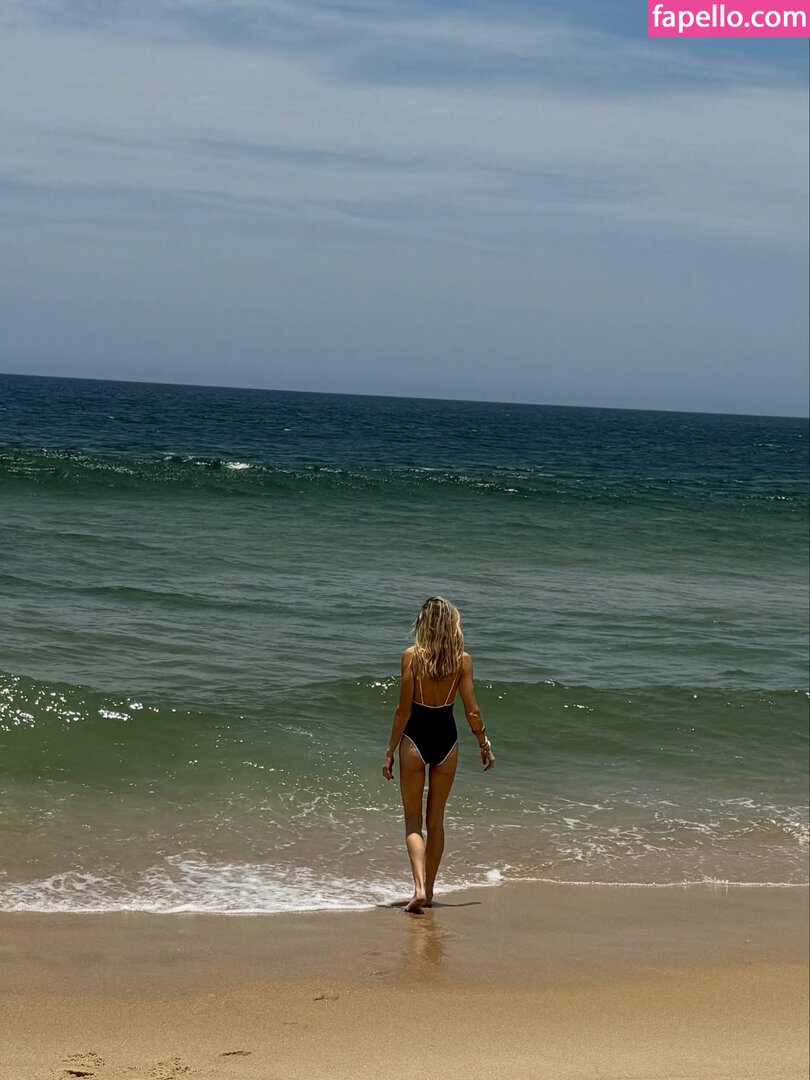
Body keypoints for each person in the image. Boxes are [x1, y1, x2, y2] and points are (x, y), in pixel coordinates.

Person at [382, 596, 494, 913]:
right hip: (447, 741)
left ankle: (418, 887)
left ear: (424, 625)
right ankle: (429, 892)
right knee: (436, 821)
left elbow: (403, 712)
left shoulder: (411, 658)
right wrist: (484, 744)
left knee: (413, 822)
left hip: (414, 741)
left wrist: (389, 752)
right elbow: (472, 711)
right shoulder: (462, 661)